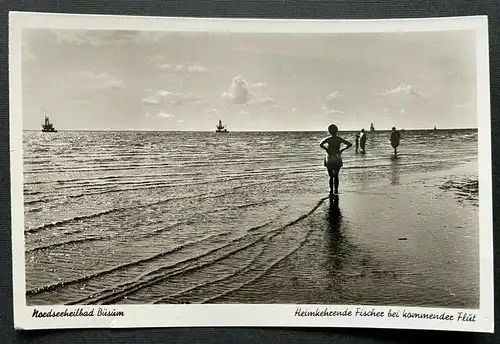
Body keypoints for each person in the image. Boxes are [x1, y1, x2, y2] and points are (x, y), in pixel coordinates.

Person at [319, 124, 353, 195]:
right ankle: (336, 191)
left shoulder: (328, 139)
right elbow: (349, 144)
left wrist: (326, 149)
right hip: (337, 157)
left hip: (330, 157)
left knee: (331, 176)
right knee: (336, 176)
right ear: (336, 131)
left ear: (329, 131)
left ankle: (331, 191)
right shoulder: (339, 139)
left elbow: (321, 144)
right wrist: (342, 150)